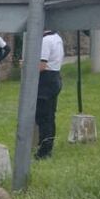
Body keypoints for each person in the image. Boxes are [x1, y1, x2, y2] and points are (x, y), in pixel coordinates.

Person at [35, 29, 64, 159]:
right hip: (55, 77)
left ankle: (44, 150)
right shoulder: (57, 37)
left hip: (46, 80)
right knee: (50, 116)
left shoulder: (45, 40)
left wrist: (26, 65)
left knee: (43, 117)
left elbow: (41, 65)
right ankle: (46, 146)